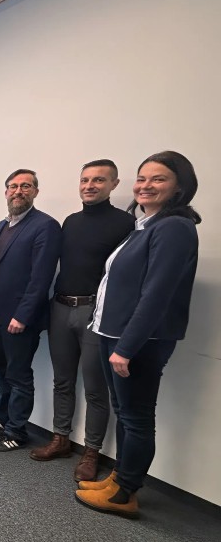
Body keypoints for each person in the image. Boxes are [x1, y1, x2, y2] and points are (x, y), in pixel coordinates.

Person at [76, 151, 200, 517]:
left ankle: (124, 493)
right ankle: (119, 479)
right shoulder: (146, 226)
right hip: (114, 334)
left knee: (137, 418)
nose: (146, 185)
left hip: (139, 342)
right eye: (142, 178)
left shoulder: (174, 228)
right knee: (126, 412)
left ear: (179, 186)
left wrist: (126, 348)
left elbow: (157, 295)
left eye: (158, 179)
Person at [30, 160, 134, 480]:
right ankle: (60, 438)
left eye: (98, 180)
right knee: (62, 380)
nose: (90, 185)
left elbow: (126, 277)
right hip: (61, 308)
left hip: (95, 313)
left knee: (95, 388)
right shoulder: (70, 222)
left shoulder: (125, 224)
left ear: (113, 185)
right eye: (85, 180)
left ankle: (91, 452)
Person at [0, 169, 61, 451]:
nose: (18, 191)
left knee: (19, 376)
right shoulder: (3, 226)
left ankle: (16, 431)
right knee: (0, 370)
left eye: (25, 186)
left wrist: (22, 316)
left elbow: (41, 278)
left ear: (35, 191)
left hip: (19, 319)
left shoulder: (45, 226)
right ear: (5, 192)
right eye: (13, 186)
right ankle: (2, 417)